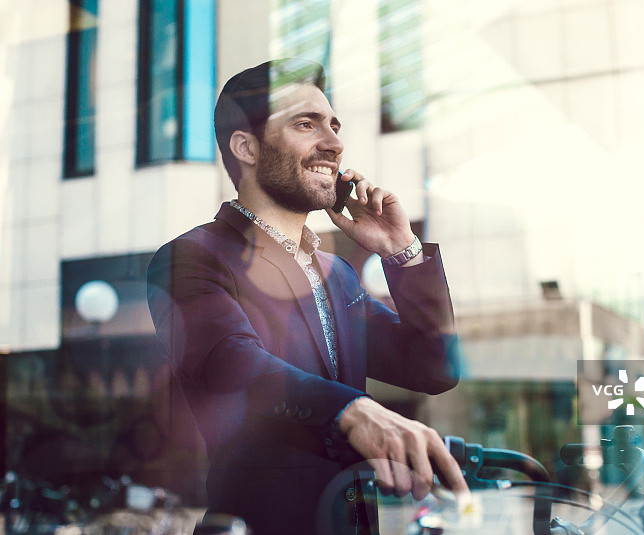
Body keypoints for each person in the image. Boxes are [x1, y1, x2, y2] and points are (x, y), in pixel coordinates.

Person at [146, 58, 468, 534]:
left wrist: (404, 252)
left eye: (334, 126)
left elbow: (433, 366)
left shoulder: (337, 274)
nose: (335, 143)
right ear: (247, 147)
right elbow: (231, 363)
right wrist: (351, 410)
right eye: (305, 124)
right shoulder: (192, 257)